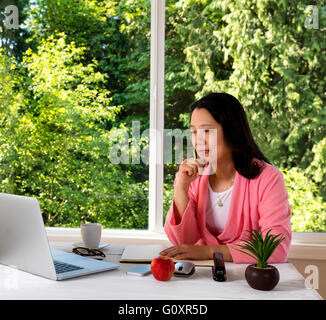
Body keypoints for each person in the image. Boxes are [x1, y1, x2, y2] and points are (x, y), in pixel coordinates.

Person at [160, 93, 291, 263]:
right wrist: (181, 188)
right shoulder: (191, 177)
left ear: (231, 131)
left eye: (207, 131)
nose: (198, 140)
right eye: (193, 132)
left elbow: (276, 248)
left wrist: (209, 252)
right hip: (201, 276)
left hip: (248, 279)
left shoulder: (268, 178)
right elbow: (183, 242)